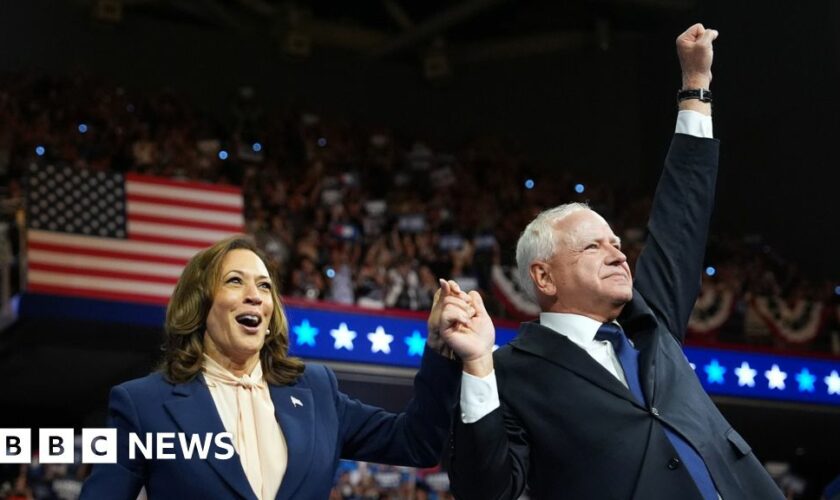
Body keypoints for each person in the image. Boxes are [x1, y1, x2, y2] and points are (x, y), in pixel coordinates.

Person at [435, 24, 785, 499]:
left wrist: (694, 89)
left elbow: (681, 219)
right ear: (544, 276)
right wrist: (477, 365)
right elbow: (487, 489)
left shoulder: (649, 324)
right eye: (593, 246)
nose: (618, 253)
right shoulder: (510, 372)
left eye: (618, 243)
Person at [80, 236, 465, 500]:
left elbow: (417, 442)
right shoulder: (144, 404)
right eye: (235, 281)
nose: (255, 296)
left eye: (264, 287)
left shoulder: (315, 390)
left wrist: (439, 348)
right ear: (199, 304)